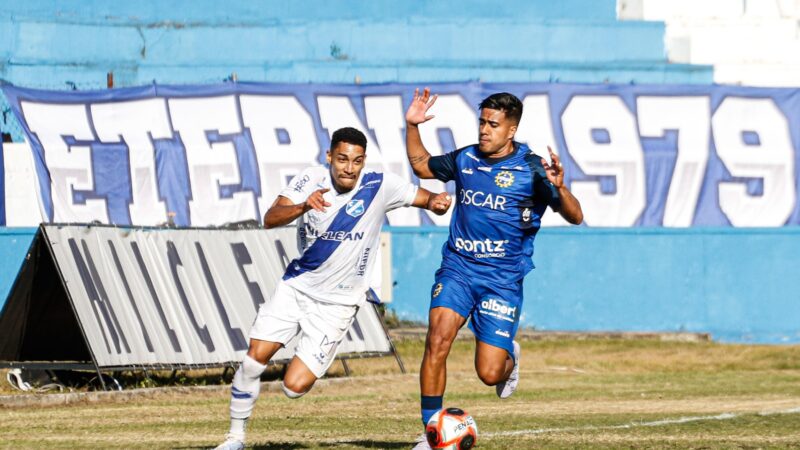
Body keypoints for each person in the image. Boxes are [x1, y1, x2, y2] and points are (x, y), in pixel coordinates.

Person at [216, 127, 452, 450]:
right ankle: (234, 439)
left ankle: (310, 356)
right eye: (342, 159)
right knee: (253, 359)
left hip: (337, 305)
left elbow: (422, 198)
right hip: (297, 287)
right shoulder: (311, 180)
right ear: (329, 156)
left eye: (356, 161)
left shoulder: (378, 184)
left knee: (293, 387)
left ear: (364, 161)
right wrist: (302, 207)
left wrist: (436, 203)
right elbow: (270, 218)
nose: (349, 168)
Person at [404, 88, 584, 449]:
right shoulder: (466, 158)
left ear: (511, 130)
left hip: (502, 280)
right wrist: (412, 126)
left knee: (488, 374)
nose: (484, 130)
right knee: (437, 338)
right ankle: (432, 434)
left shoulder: (532, 169)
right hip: (459, 268)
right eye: (482, 122)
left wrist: (560, 188)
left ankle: (508, 358)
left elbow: (575, 216)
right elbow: (422, 165)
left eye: (493, 124)